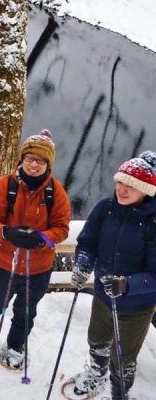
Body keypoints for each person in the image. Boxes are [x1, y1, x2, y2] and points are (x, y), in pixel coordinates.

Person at [0, 129, 71, 370]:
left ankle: (15, 345)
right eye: (30, 159)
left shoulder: (56, 192)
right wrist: (6, 232)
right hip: (5, 262)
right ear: (22, 160)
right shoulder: (7, 185)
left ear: (48, 165)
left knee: (26, 310)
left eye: (41, 161)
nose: (34, 165)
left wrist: (43, 238)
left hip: (39, 267)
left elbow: (62, 228)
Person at [69, 151, 156, 400]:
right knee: (96, 339)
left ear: (147, 190)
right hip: (103, 297)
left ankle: (119, 393)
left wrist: (127, 285)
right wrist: (83, 264)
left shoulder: (152, 223)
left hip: (135, 307)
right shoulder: (105, 209)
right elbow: (87, 242)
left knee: (122, 358)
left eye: (131, 186)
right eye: (120, 182)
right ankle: (97, 371)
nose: (122, 189)